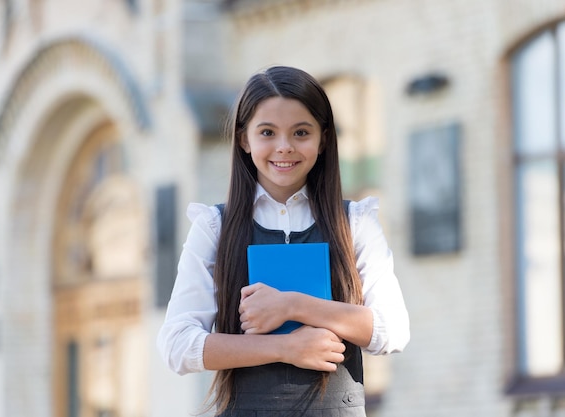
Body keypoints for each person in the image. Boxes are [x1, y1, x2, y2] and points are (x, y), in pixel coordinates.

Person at [157, 66, 410, 416]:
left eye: (300, 132)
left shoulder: (355, 222)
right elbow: (177, 346)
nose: (284, 147)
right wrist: (285, 347)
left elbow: (393, 331)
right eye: (267, 132)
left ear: (323, 139)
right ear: (245, 139)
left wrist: (292, 305)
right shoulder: (214, 227)